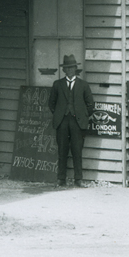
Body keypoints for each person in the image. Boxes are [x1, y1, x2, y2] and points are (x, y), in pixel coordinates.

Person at [48, 54, 95, 187]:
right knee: (62, 150)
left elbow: (90, 104)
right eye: (67, 68)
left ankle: (78, 179)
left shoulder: (83, 85)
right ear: (64, 70)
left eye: (71, 67)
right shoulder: (57, 84)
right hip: (62, 122)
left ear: (75, 69)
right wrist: (59, 114)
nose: (69, 70)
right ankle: (61, 179)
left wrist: (83, 115)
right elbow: (51, 103)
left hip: (77, 122)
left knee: (77, 150)